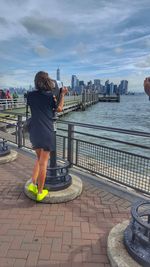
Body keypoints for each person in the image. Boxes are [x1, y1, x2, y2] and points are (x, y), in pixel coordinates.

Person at [27, 71, 68, 202]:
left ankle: (33, 185)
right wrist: (62, 94)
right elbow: (59, 109)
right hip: (46, 132)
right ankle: (40, 192)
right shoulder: (50, 96)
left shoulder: (30, 95)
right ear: (47, 81)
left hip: (34, 131)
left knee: (39, 160)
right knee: (44, 163)